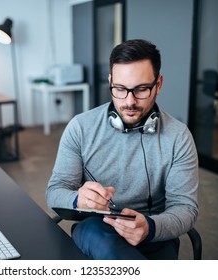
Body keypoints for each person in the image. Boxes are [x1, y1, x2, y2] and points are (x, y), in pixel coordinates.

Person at [45, 39, 199, 260]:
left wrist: (150, 227)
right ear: (110, 81)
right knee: (95, 233)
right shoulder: (80, 128)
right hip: (98, 232)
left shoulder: (178, 137)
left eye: (141, 89)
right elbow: (55, 191)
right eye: (119, 89)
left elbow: (185, 208)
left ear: (159, 84)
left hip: (153, 233)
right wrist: (77, 199)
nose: (129, 101)